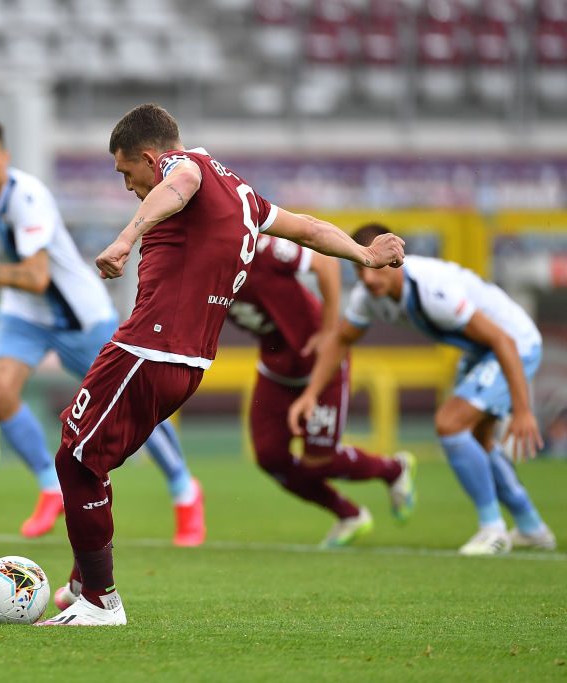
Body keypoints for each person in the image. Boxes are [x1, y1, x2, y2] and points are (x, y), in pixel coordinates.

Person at [38, 104, 407, 626]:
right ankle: (84, 582)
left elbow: (179, 181)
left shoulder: (181, 168)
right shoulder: (242, 194)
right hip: (186, 364)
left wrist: (126, 238)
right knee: (90, 460)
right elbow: (306, 228)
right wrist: (364, 255)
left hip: (150, 349)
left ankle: (100, 600)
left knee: (76, 460)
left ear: (149, 157)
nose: (127, 186)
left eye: (126, 173)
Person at [0, 118, 205, 544]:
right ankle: (50, 487)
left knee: (134, 408)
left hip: (79, 316)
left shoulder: (28, 199)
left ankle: (184, 491)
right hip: (25, 315)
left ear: (5, 160)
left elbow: (36, 276)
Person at [288, 223, 556, 556]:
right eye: (359, 268)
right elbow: (341, 340)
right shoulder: (368, 296)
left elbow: (502, 340)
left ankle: (493, 529)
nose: (368, 278)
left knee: (450, 424)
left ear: (396, 258)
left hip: (515, 344)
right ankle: (531, 527)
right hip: (481, 352)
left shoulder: (432, 289)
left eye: (376, 267)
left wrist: (523, 410)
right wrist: (311, 394)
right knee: (478, 440)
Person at [226, 235, 416, 547]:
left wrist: (329, 331)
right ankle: (349, 514)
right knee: (270, 457)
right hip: (275, 370)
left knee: (319, 461)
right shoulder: (200, 269)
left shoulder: (258, 248)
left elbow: (325, 262)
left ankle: (394, 469)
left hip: (321, 367)